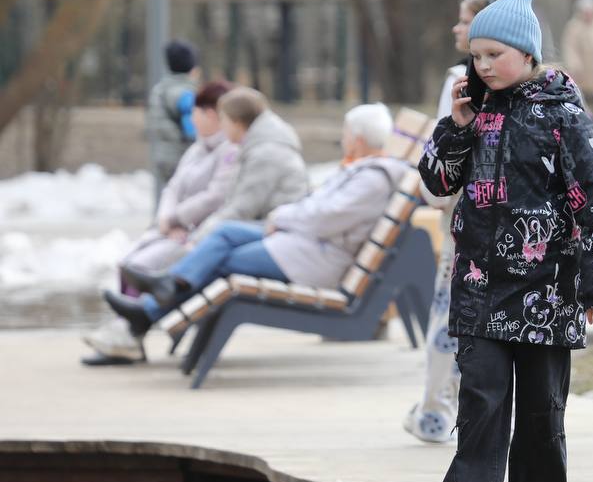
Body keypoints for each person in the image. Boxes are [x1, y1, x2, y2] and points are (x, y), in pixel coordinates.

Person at [416, 0, 593, 482]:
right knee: (480, 398)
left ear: (528, 54)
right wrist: (455, 127)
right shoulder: (473, 113)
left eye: (494, 55)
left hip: (546, 293)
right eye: (476, 56)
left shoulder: (562, 115)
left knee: (539, 409)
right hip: (479, 288)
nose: (483, 66)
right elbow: (436, 182)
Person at [98, 104, 410, 344]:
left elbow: (326, 217)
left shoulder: (372, 180)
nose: (342, 139)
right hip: (303, 244)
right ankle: (165, 288)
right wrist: (284, 218)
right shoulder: (362, 171)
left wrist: (281, 217)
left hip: (316, 258)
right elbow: (318, 209)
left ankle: (151, 309)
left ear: (357, 140)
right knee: (225, 233)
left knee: (224, 260)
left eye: (345, 134)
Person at [403, 0, 501, 444]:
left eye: (464, 20)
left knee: (449, 312)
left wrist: (435, 193)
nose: (456, 28)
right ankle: (459, 406)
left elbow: (442, 147)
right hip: (496, 217)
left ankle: (435, 408)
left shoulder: (458, 80)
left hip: (462, 214)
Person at [82, 80, 238, 364]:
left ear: (212, 114)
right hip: (174, 229)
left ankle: (127, 338)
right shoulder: (197, 149)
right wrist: (166, 220)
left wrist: (178, 220)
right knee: (128, 263)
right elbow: (172, 188)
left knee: (142, 266)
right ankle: (124, 339)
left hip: (198, 235)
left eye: (196, 112)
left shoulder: (230, 151)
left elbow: (216, 197)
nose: (192, 118)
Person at [189, 87, 309, 243]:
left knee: (215, 241)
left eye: (223, 119)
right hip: (268, 225)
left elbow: (242, 209)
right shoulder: (256, 146)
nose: (222, 126)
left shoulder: (265, 153)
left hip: (278, 231)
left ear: (237, 122)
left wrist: (196, 239)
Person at [145, 40, 201, 183]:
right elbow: (192, 130)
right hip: (183, 158)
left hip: (164, 156)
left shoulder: (160, 89)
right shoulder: (185, 93)